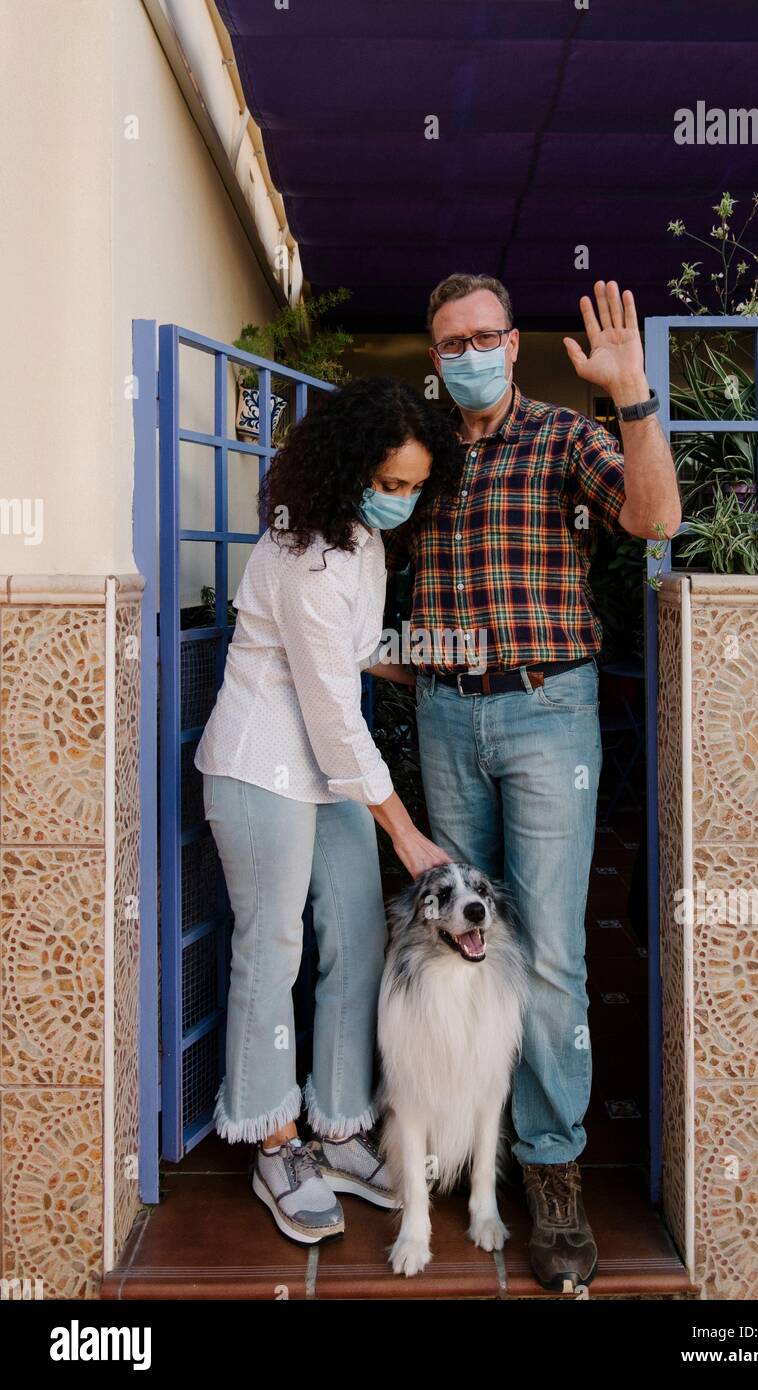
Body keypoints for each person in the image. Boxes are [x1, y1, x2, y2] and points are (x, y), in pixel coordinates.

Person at [386, 274, 681, 1291]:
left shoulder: (561, 438)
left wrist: (631, 394)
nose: (464, 352)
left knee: (548, 952)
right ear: (435, 356)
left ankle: (552, 1169)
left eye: (481, 336)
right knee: (461, 940)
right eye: (448, 341)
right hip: (440, 707)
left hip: (545, 709)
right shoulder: (418, 453)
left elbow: (653, 518)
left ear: (512, 346)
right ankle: (476, 1149)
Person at [194, 376, 460, 1246]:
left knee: (357, 934)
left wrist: (438, 658)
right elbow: (329, 708)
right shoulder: (303, 555)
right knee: (272, 949)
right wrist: (406, 830)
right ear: (348, 468)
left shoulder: (360, 544)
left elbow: (355, 655)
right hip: (263, 766)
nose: (401, 500)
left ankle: (340, 1126)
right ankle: (274, 1140)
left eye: (415, 486)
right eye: (388, 484)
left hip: (330, 772)